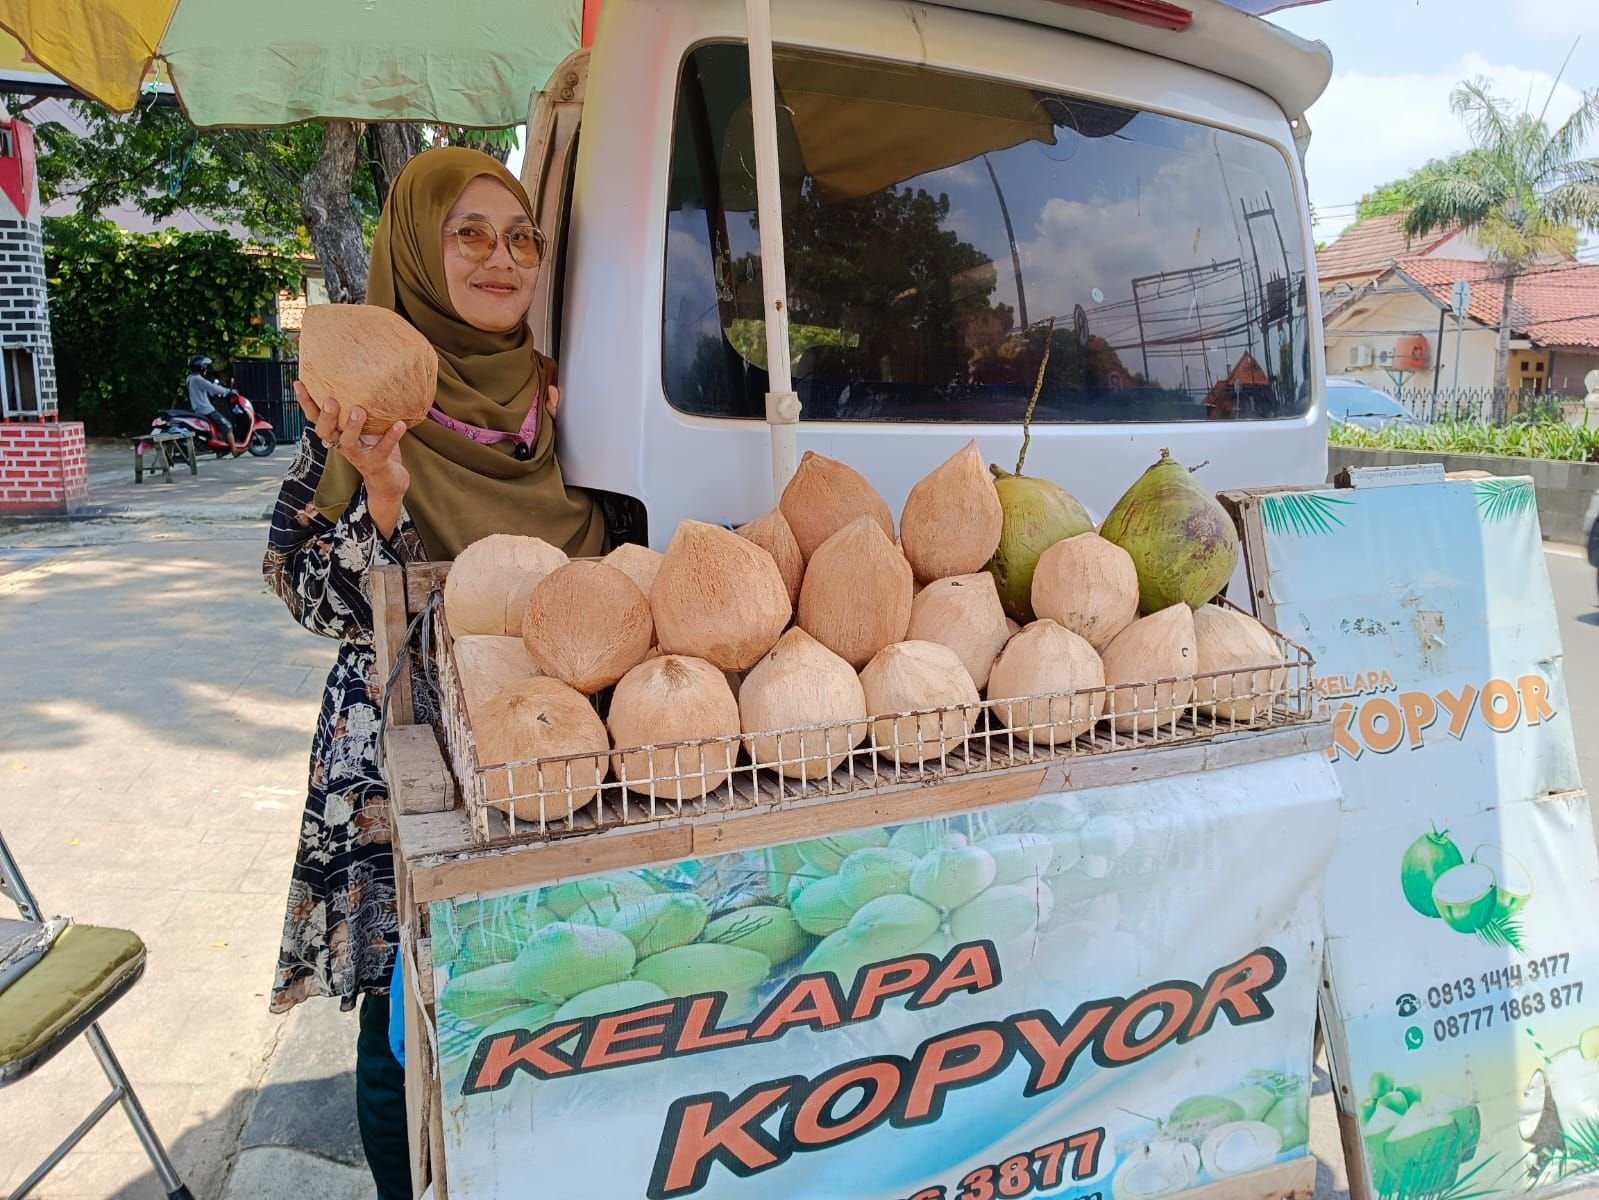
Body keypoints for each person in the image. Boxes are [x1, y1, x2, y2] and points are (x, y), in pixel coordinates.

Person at [262, 148, 606, 1199]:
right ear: (416, 247)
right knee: (412, 1017)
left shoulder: (571, 387)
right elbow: (306, 589)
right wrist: (379, 490)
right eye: (468, 233)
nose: (501, 258)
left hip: (561, 731)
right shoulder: (365, 392)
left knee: (554, 986)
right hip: (409, 754)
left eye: (520, 237)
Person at [185, 355, 242, 455]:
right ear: (201, 367)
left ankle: (222, 450)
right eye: (205, 366)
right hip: (206, 409)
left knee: (218, 427)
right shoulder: (198, 379)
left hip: (198, 408)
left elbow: (206, 390)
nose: (206, 368)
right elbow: (213, 389)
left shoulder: (190, 378)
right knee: (227, 425)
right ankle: (234, 450)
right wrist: (229, 391)